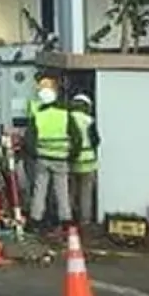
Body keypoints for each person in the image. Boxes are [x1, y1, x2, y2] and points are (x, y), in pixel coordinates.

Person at [24, 76, 75, 232]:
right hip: (61, 158)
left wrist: (35, 154)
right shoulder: (65, 115)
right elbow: (76, 137)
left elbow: (29, 140)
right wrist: (71, 154)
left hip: (42, 158)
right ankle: (65, 220)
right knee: (62, 190)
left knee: (40, 189)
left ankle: (36, 219)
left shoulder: (38, 116)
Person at [67, 93, 99, 227]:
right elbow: (96, 140)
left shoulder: (67, 119)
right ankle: (85, 220)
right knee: (86, 193)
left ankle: (68, 219)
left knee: (70, 191)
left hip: (71, 161)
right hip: (88, 162)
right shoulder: (90, 120)